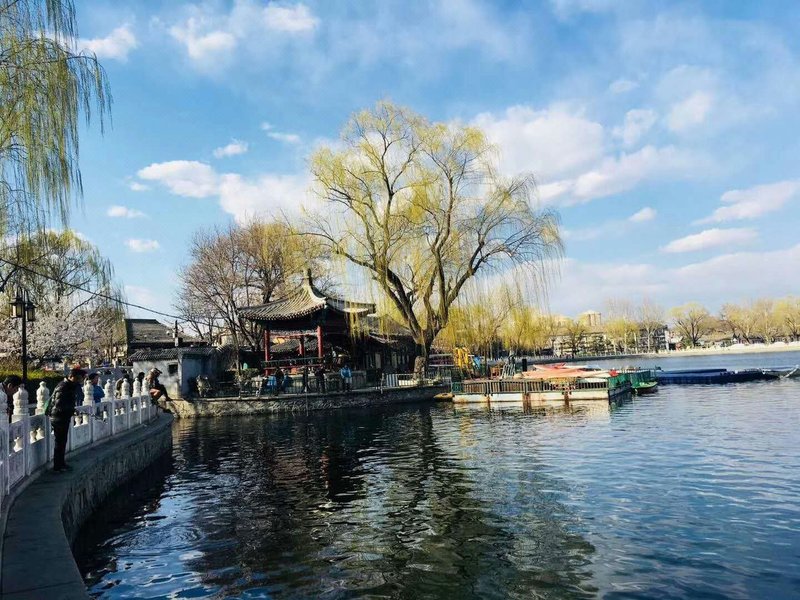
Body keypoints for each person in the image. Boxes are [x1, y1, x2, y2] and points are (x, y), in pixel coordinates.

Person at [48, 368, 86, 472]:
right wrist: (71, 410)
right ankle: (57, 466)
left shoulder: (70, 386)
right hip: (58, 417)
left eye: (81, 379)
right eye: (78, 378)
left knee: (62, 441)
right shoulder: (63, 387)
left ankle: (61, 463)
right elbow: (59, 405)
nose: (80, 381)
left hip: (64, 416)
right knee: (59, 442)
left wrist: (72, 410)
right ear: (71, 376)